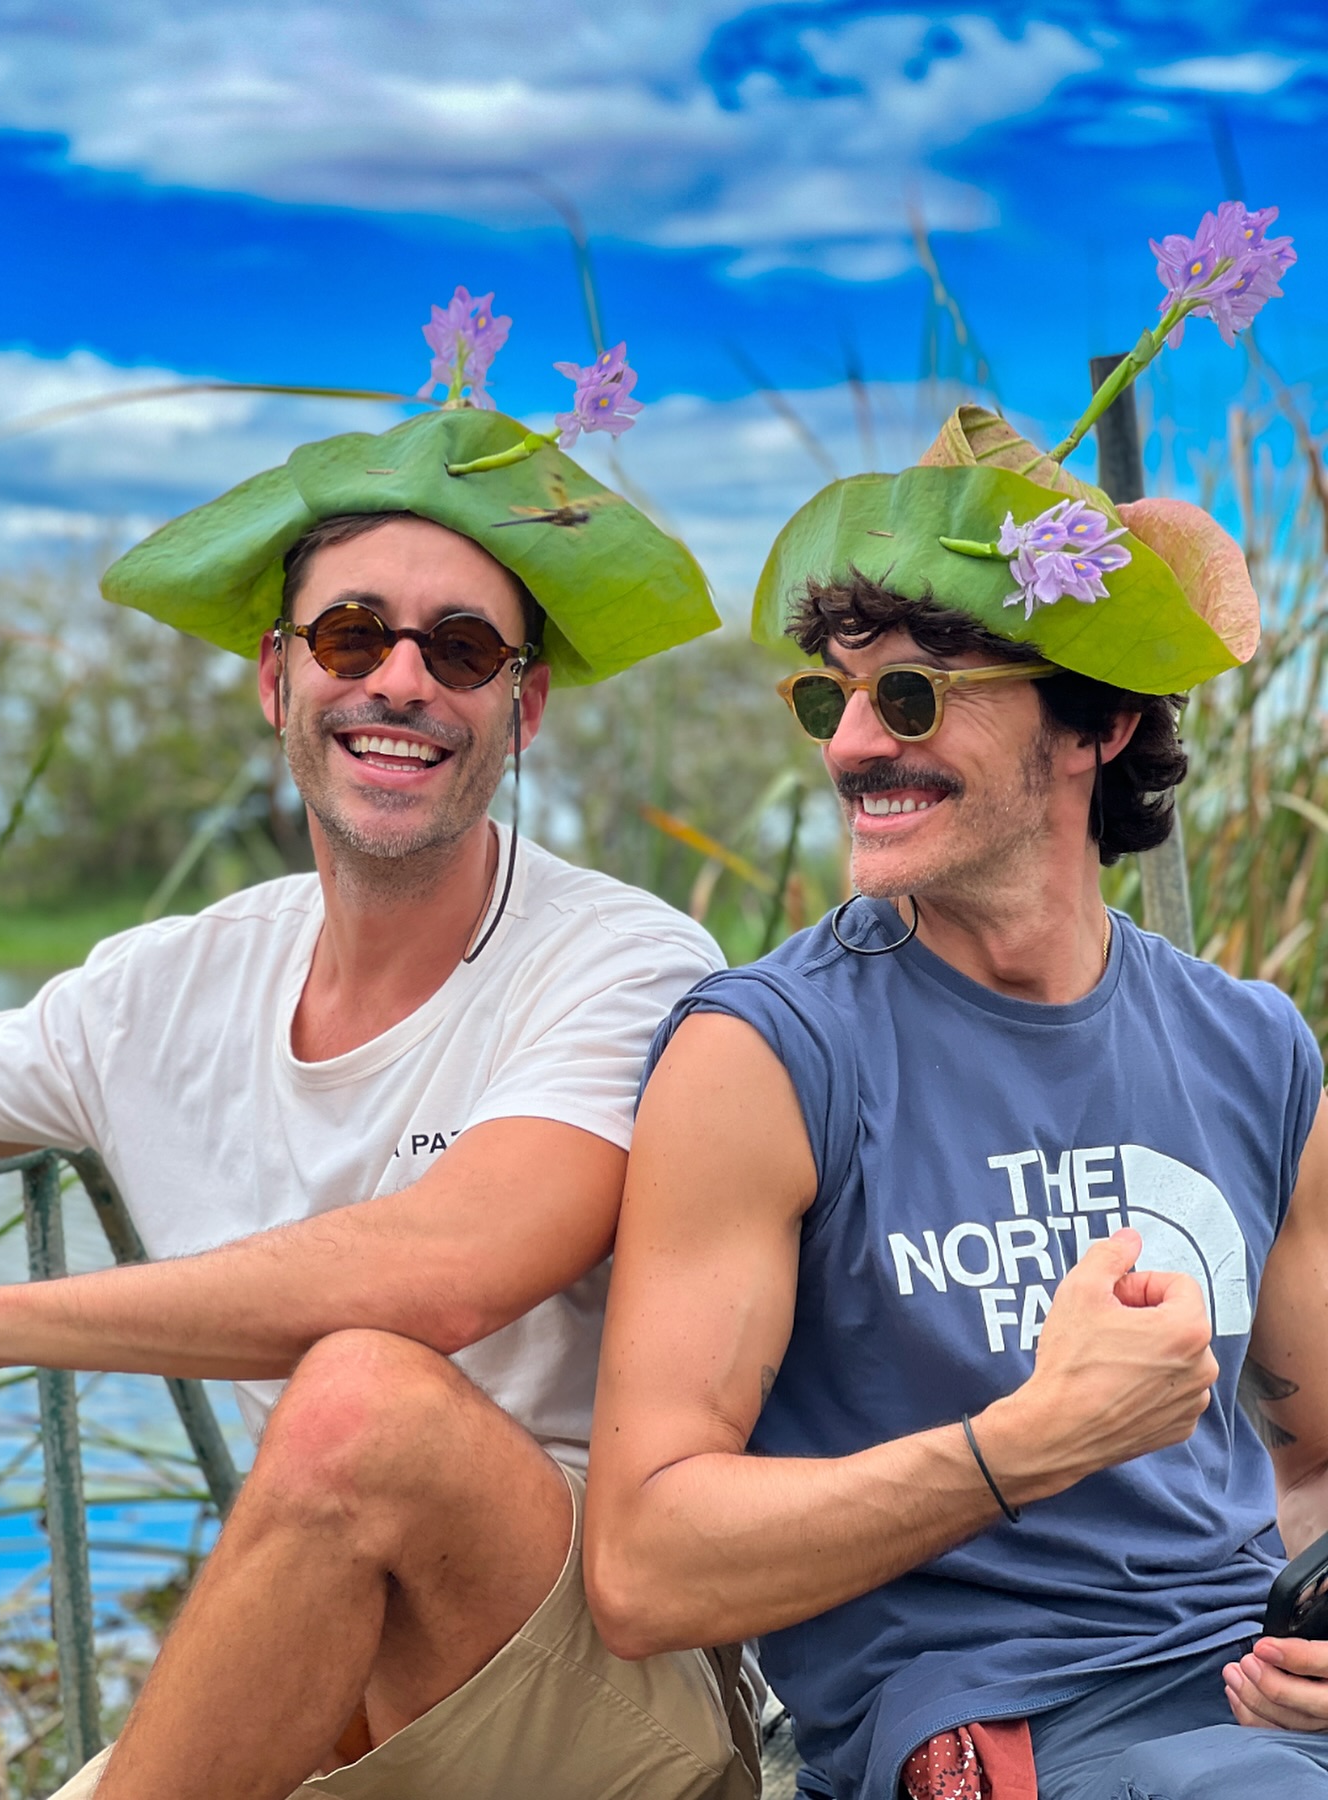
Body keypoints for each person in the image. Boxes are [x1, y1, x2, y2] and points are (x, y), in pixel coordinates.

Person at [0, 385, 760, 1800]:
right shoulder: (161, 988)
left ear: (522, 703)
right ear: (276, 677)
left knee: (363, 1399)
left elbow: (446, 1271)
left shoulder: (628, 959)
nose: (402, 680)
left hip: (601, 1694)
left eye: (464, 649)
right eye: (353, 634)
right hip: (325, 1674)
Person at [585, 248, 1328, 1800]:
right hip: (1003, 1740)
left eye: (913, 697)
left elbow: (1313, 1459)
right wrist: (1029, 1442)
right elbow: (646, 1563)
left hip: (1257, 1712)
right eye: (830, 699)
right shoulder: (768, 1055)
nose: (854, 745)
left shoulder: (1259, 1051)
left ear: (1098, 723)